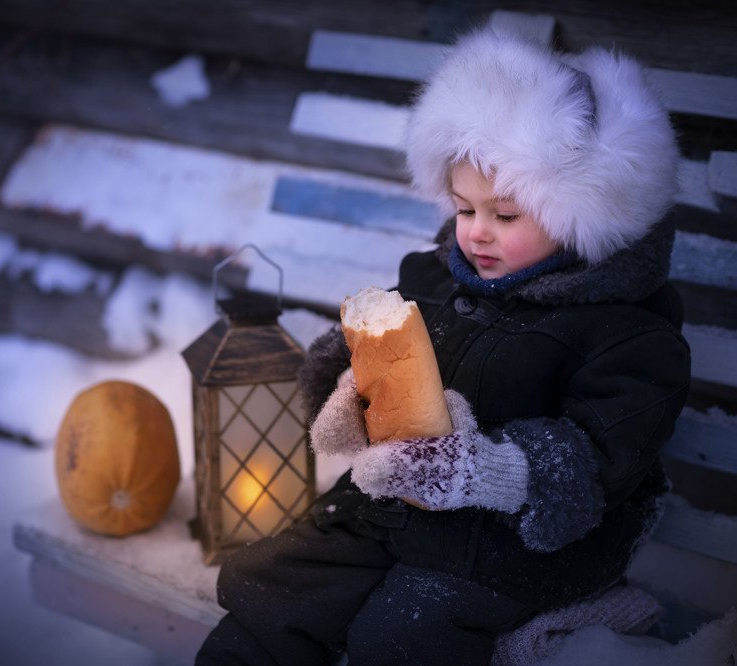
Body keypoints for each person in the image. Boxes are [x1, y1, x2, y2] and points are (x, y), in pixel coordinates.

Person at [196, 26, 691, 666]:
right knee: (280, 586)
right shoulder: (430, 280)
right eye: (464, 210)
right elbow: (377, 361)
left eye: (506, 216)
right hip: (392, 512)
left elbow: (601, 455)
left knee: (401, 634)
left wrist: (487, 467)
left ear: (581, 219)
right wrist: (353, 391)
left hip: (509, 546)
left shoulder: (627, 331)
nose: (477, 233)